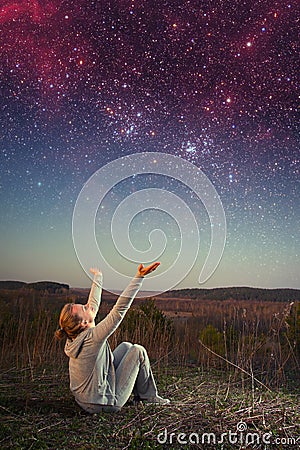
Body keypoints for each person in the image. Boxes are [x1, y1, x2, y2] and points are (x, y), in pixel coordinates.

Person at [55, 262, 170, 413]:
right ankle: (148, 398)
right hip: (104, 403)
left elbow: (93, 304)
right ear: (84, 323)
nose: (87, 305)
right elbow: (119, 310)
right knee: (138, 351)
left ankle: (138, 392)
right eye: (84, 307)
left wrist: (98, 277)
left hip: (84, 399)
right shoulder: (92, 337)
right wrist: (139, 277)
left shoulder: (75, 336)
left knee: (126, 346)